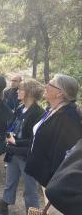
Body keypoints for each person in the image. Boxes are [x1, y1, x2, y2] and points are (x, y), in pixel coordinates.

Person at [0, 79, 45, 215]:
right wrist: (9, 135)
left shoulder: (39, 113)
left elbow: (35, 139)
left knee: (30, 188)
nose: (18, 91)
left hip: (26, 154)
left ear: (30, 93)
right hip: (13, 152)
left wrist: (15, 141)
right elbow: (12, 124)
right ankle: (4, 205)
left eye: (21, 89)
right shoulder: (20, 108)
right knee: (10, 180)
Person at [25, 74, 82, 202]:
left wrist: (53, 182)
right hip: (45, 175)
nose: (46, 86)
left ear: (60, 93)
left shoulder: (69, 116)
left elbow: (64, 154)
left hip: (54, 180)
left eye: (50, 84)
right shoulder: (52, 109)